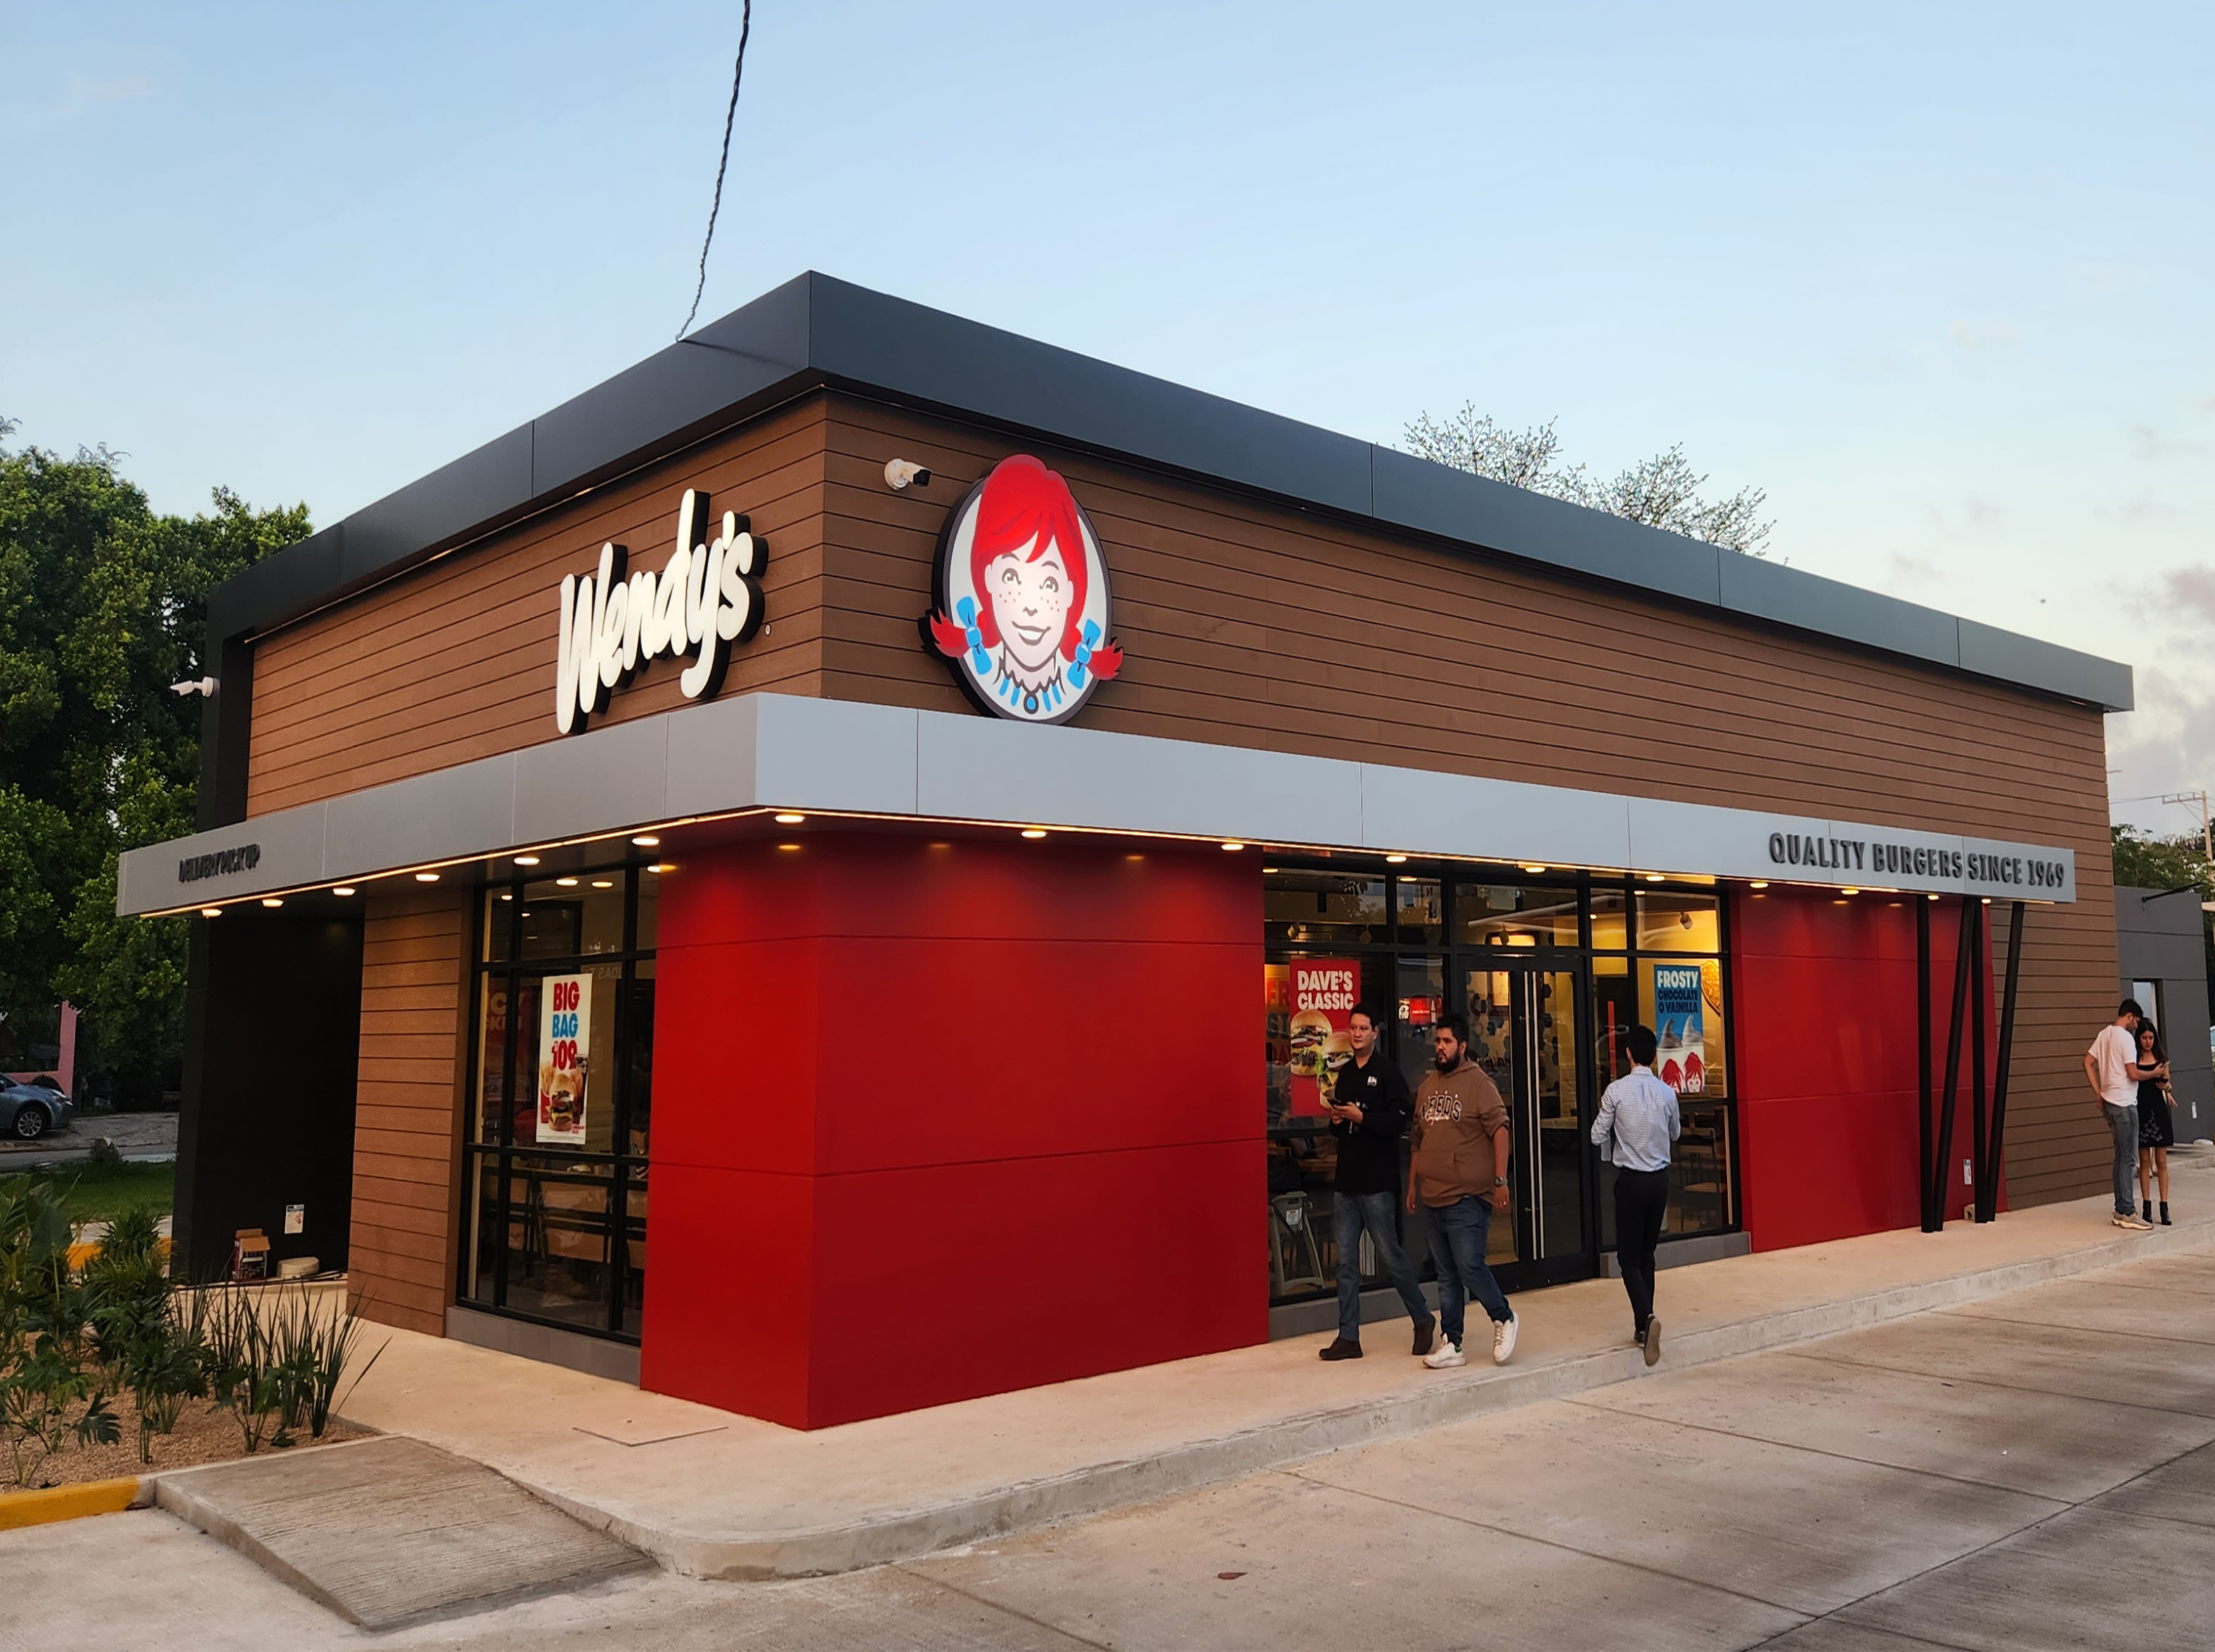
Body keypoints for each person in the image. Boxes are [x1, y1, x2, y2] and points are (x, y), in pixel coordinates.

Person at [1317, 1004, 1436, 1361]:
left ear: (1375, 1033)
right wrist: (1338, 1120)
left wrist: (1362, 1117)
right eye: (1352, 1028)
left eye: (1363, 1029)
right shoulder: (1345, 1073)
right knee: (1345, 1264)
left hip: (1378, 1183)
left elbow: (1397, 1122)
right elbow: (1341, 1130)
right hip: (1346, 1182)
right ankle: (1348, 1336)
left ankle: (1422, 1318)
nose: (1356, 1034)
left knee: (1391, 1255)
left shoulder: (1387, 1072)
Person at [1407, 1014, 1518, 1367]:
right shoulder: (1428, 1086)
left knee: (1469, 1265)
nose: (1440, 1047)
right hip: (1433, 1196)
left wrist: (1500, 1181)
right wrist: (1412, 1185)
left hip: (1468, 1197)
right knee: (1446, 1274)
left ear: (1462, 1046)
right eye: (1438, 1041)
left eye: (1447, 1042)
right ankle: (1452, 1343)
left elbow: (1500, 1130)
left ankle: (1504, 1316)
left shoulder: (1478, 1083)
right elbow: (1417, 1140)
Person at [1591, 1024, 1681, 1366]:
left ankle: (1646, 1317)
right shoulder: (1667, 1093)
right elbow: (1675, 1132)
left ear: (1628, 1054)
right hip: (1659, 1181)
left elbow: (1596, 1134)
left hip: (1631, 1181)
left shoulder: (1616, 1091)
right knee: (1647, 1255)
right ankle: (1643, 1329)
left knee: (1627, 1260)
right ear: (1655, 1056)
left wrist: (1615, 1132)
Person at [2084, 999, 2152, 1231]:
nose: (2136, 1026)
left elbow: (2087, 1062)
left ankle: (2120, 1209)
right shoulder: (2126, 1038)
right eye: (2136, 1021)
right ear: (2130, 1016)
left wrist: (2099, 1092)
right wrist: (2154, 1073)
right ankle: (2128, 1212)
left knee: (2120, 1157)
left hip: (2109, 1103)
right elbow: (2133, 1073)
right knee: (2129, 1159)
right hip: (2124, 1103)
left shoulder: (2105, 1034)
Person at [2132, 1019, 2176, 1226]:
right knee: (2144, 1161)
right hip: (2142, 1108)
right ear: (2139, 1039)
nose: (2148, 1042)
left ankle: (2164, 1207)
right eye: (2144, 1038)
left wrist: (2166, 1087)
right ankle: (2146, 1206)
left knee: (2162, 1162)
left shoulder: (2161, 1058)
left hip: (2159, 1110)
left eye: (2151, 1038)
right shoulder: (2134, 1059)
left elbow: (2168, 1083)